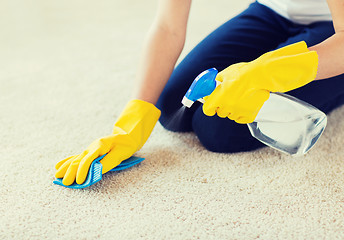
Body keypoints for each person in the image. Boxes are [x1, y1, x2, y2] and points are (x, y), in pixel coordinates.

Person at [55, 0, 344, 186]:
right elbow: (168, 27)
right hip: (271, 10)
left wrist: (265, 71)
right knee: (172, 106)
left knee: (220, 129)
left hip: (336, 28)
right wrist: (133, 117)